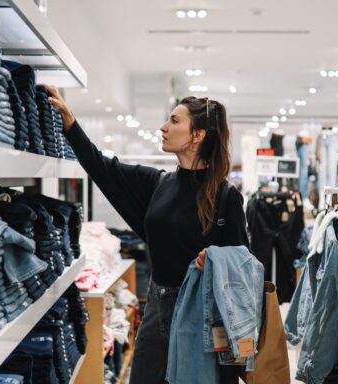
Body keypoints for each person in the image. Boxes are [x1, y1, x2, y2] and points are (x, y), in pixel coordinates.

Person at [46, 85, 249, 384]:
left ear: (198, 135)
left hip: (199, 312)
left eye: (174, 121)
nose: (164, 127)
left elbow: (245, 262)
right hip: (156, 304)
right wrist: (70, 123)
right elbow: (103, 168)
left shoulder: (224, 196)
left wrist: (217, 259)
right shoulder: (158, 183)